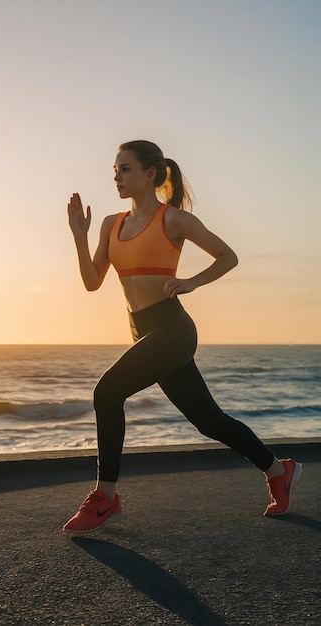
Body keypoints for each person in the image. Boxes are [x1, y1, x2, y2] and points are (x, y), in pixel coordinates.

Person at [64, 139, 302, 534]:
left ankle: (106, 496)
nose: (117, 177)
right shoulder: (111, 224)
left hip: (172, 329)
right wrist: (79, 235)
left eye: (125, 169)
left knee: (106, 393)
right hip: (142, 330)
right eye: (115, 170)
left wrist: (192, 282)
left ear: (150, 173)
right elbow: (92, 282)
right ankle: (280, 470)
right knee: (208, 420)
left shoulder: (172, 220)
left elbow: (228, 256)